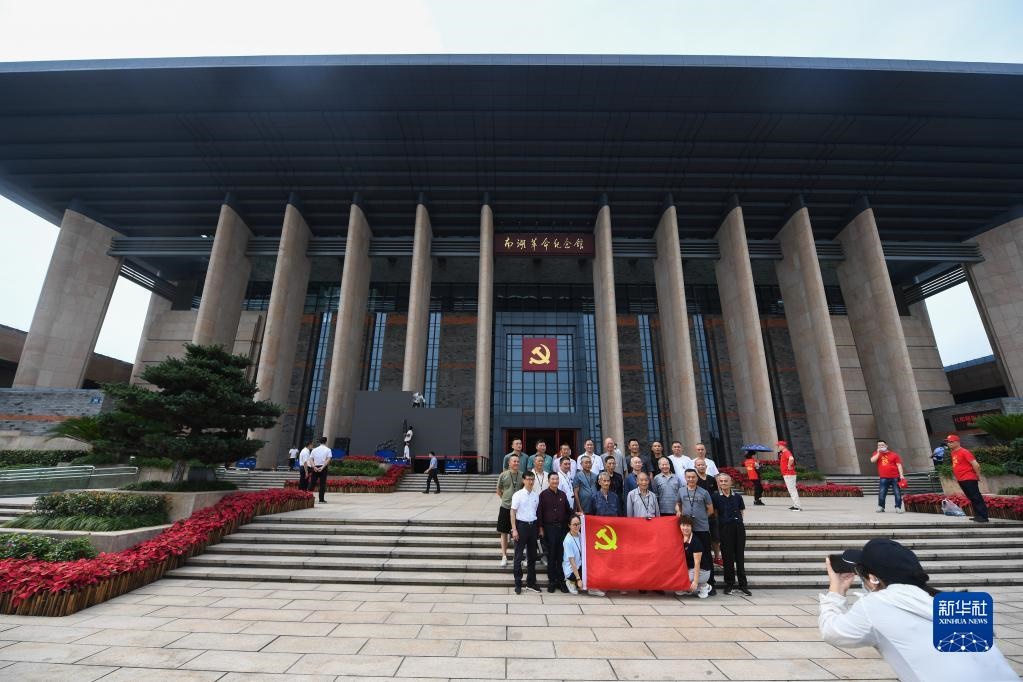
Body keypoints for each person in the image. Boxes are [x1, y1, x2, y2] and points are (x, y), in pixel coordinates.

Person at [820, 538, 1016, 681]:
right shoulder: (954, 605)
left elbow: (832, 632)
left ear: (873, 578)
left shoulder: (878, 604)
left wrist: (837, 589)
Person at [680, 469, 716, 596]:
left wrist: (701, 517)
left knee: (706, 555)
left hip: (702, 528)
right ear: (685, 478)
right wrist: (679, 512)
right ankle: (690, 583)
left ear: (697, 478)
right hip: (687, 529)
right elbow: (678, 503)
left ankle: (711, 583)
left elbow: (710, 509)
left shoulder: (704, 492)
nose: (691, 479)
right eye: (688, 477)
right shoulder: (681, 490)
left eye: (693, 477)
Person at [714, 473, 750, 596]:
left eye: (726, 481)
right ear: (719, 483)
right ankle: (729, 584)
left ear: (731, 482)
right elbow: (715, 514)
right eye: (721, 481)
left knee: (740, 557)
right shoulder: (716, 497)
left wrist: (739, 523)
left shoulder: (738, 497)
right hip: (725, 529)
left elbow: (741, 511)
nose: (723, 483)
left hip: (738, 528)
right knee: (727, 558)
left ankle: (743, 585)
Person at [538, 471, 573, 593]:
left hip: (562, 529)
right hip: (549, 529)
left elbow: (568, 511)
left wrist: (576, 516)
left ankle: (561, 581)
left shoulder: (562, 494)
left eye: (557, 479)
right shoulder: (543, 495)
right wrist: (540, 528)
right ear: (548, 481)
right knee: (551, 556)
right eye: (553, 479)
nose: (555, 481)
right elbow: (540, 513)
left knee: (561, 556)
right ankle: (552, 581)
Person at [510, 471, 541, 594]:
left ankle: (531, 583)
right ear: (523, 480)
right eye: (528, 479)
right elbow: (513, 512)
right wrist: (514, 529)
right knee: (518, 556)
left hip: (532, 526)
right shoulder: (517, 495)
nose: (531, 481)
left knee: (532, 556)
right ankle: (518, 583)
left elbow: (535, 511)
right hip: (521, 526)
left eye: (532, 479)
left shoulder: (536, 495)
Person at [947, 434, 989, 523]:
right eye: (948, 442)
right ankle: (978, 515)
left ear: (957, 442)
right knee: (971, 497)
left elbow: (976, 465)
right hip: (961, 479)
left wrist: (977, 475)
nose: (949, 444)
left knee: (976, 497)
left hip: (969, 478)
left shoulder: (964, 452)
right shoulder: (953, 452)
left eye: (951, 442)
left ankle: (983, 516)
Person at [562, 515, 603, 596]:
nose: (577, 526)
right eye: (574, 525)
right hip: (572, 570)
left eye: (578, 524)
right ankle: (570, 581)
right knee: (586, 574)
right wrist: (578, 579)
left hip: (580, 565)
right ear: (569, 525)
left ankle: (589, 586)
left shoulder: (579, 534)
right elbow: (572, 562)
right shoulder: (568, 541)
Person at [495, 454, 523, 567]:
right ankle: (504, 556)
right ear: (509, 463)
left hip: (518, 509)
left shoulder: (522, 475)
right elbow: (498, 490)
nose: (516, 463)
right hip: (506, 507)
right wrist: (505, 499)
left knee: (519, 532)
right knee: (504, 532)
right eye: (514, 461)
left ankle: (518, 556)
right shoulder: (503, 475)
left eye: (517, 461)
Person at [676, 515, 711, 599]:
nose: (685, 528)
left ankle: (704, 587)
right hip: (689, 569)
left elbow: (697, 563)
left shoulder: (696, 542)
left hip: (702, 570)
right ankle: (688, 588)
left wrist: (695, 581)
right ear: (680, 526)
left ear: (692, 527)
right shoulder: (680, 538)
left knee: (681, 582)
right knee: (677, 589)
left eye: (688, 526)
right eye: (683, 525)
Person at [871, 439, 905, 513]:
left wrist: (901, 475)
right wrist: (878, 453)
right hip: (883, 477)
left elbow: (899, 465)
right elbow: (872, 460)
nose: (880, 446)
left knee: (897, 493)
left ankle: (898, 507)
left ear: (886, 446)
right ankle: (881, 507)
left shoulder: (894, 454)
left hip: (895, 477)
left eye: (882, 445)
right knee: (882, 492)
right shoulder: (876, 454)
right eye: (879, 445)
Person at [778, 440, 801, 511]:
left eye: (779, 445)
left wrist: (789, 465)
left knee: (792, 490)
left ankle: (797, 506)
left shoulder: (786, 452)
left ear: (783, 446)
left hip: (789, 474)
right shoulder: (784, 452)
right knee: (792, 490)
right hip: (788, 474)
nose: (778, 447)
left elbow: (791, 458)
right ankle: (796, 505)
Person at [309, 437, 332, 503]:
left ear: (319, 442)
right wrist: (322, 467)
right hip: (323, 468)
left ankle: (308, 497)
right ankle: (321, 499)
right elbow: (328, 459)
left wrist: (314, 467)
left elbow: (311, 459)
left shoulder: (314, 449)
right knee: (322, 484)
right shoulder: (328, 449)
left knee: (312, 483)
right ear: (326, 442)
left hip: (315, 467)